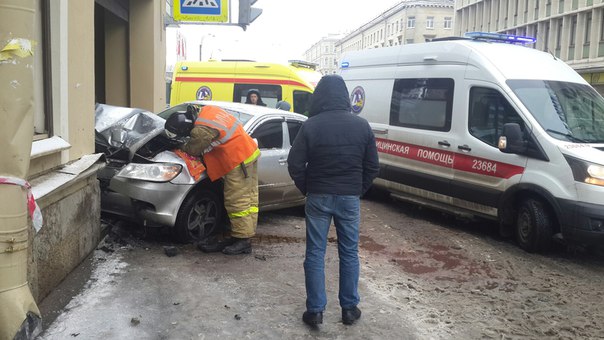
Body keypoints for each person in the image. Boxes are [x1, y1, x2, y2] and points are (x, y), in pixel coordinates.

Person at [287, 75, 379, 326]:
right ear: (345, 96)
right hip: (349, 197)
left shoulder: (311, 125)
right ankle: (349, 309)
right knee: (349, 253)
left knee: (315, 253)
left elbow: (295, 164)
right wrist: (356, 190)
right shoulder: (362, 126)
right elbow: (372, 166)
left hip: (318, 196)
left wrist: (308, 188)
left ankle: (315, 311)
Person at [164, 104, 260, 255]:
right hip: (247, 153)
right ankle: (241, 235)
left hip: (237, 159)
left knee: (237, 200)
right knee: (249, 200)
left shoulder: (201, 129)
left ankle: (242, 240)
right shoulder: (208, 111)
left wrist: (181, 144)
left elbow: (193, 149)